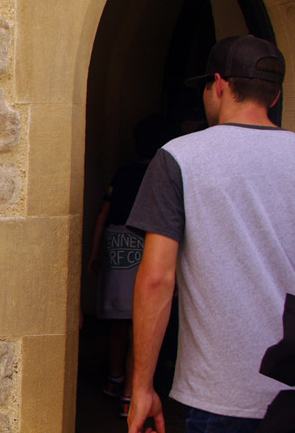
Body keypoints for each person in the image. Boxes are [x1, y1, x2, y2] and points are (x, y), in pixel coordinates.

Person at [125, 35, 295, 433]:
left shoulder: (179, 157)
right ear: (274, 96)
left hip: (221, 392)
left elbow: (156, 279)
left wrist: (143, 387)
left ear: (218, 85)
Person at [88, 117, 171, 417]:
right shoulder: (164, 173)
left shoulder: (123, 172)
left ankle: (115, 381)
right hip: (146, 242)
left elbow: (103, 212)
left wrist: (95, 251)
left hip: (116, 243)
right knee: (142, 323)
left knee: (118, 322)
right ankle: (129, 396)